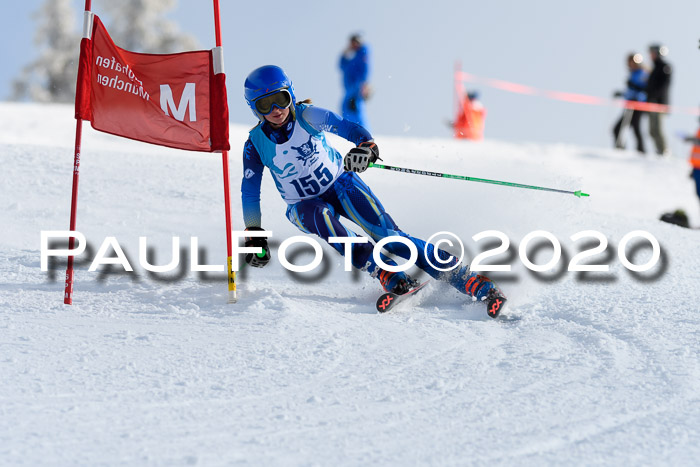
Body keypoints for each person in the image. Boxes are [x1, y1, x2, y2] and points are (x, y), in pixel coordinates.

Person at [240, 65, 506, 317]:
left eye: (281, 99)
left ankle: (468, 279)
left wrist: (366, 147)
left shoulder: (307, 115)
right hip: (303, 204)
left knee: (389, 238)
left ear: (291, 94)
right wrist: (253, 232)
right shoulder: (255, 144)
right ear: (255, 109)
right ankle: (391, 276)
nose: (276, 109)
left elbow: (348, 127)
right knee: (322, 218)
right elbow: (250, 190)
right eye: (265, 104)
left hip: (341, 184)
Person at [612, 53, 648, 153]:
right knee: (620, 128)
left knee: (635, 127)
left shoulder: (642, 73)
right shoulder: (633, 73)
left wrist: (633, 86)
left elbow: (643, 89)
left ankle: (641, 150)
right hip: (630, 104)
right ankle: (621, 148)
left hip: (637, 105)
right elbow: (630, 91)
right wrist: (622, 94)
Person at [339, 34, 371, 128]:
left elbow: (365, 71)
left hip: (356, 89)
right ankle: (352, 133)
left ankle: (365, 134)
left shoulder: (362, 54)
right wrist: (344, 54)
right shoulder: (354, 57)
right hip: (349, 90)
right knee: (347, 111)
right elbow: (342, 65)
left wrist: (363, 85)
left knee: (355, 111)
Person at [646, 44, 672, 156]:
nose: (650, 55)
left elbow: (663, 86)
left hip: (660, 103)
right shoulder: (654, 68)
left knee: (658, 128)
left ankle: (664, 151)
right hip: (652, 103)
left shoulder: (664, 67)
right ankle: (659, 150)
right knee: (652, 130)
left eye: (652, 53)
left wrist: (655, 97)